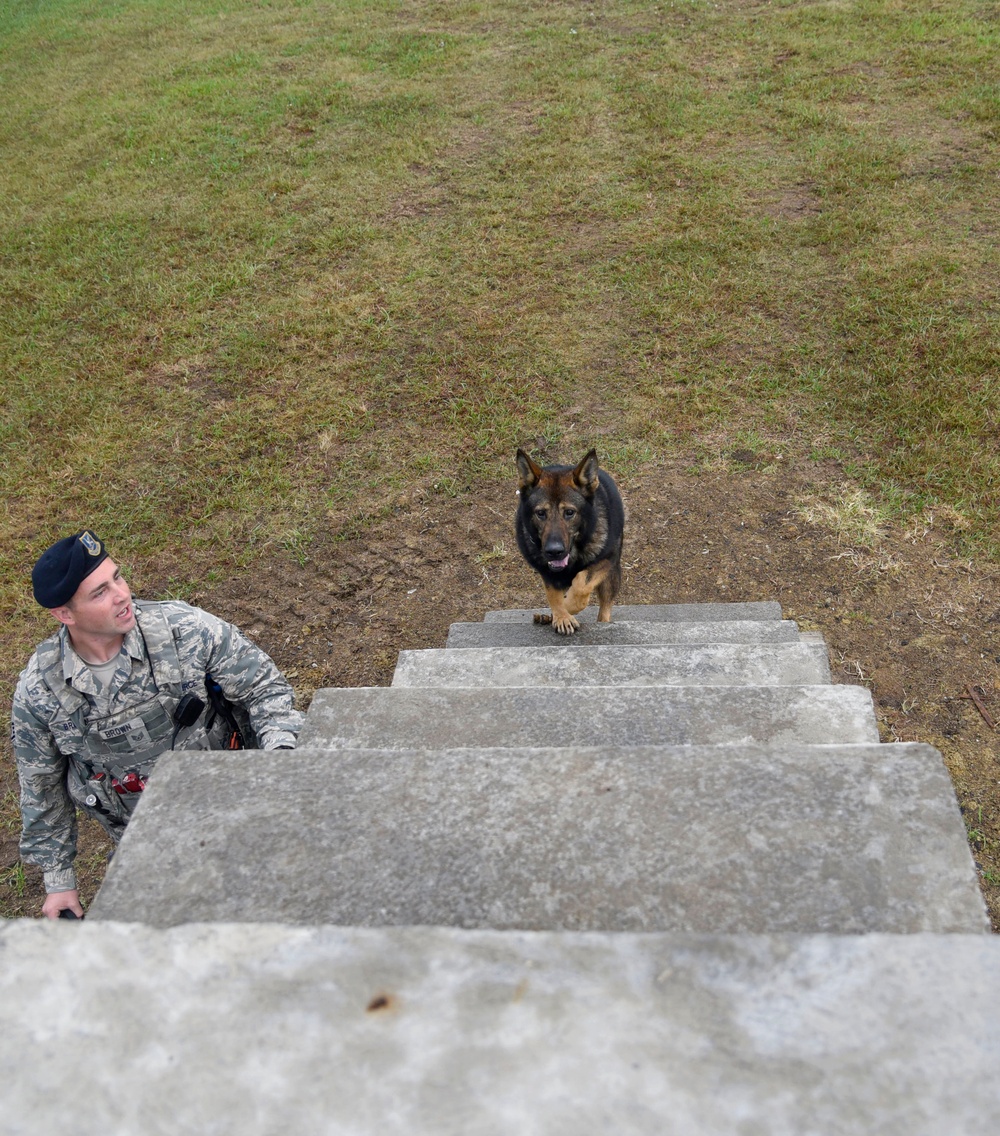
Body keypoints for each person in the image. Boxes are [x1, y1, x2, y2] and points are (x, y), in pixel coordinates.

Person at [11, 530, 304, 919]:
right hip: (146, 840)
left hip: (242, 806)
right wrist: (59, 882)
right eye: (100, 592)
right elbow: (41, 785)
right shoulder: (40, 691)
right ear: (65, 615)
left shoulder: (185, 630)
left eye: (118, 577)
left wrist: (281, 760)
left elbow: (266, 691)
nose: (121, 594)